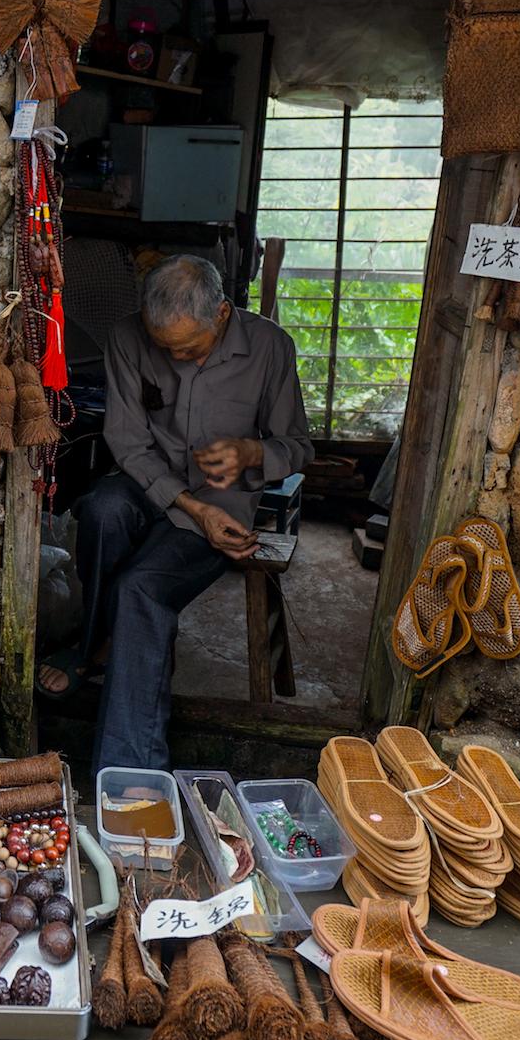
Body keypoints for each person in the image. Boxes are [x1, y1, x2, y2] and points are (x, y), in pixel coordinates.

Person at [41, 255, 313, 773]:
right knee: (101, 511)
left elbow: (298, 447)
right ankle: (96, 644)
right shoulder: (127, 338)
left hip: (223, 506)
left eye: (188, 347)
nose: (177, 357)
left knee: (140, 589)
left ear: (224, 314)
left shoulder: (271, 348)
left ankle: (128, 773)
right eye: (165, 348)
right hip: (152, 482)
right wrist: (188, 504)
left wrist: (252, 453)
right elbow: (126, 439)